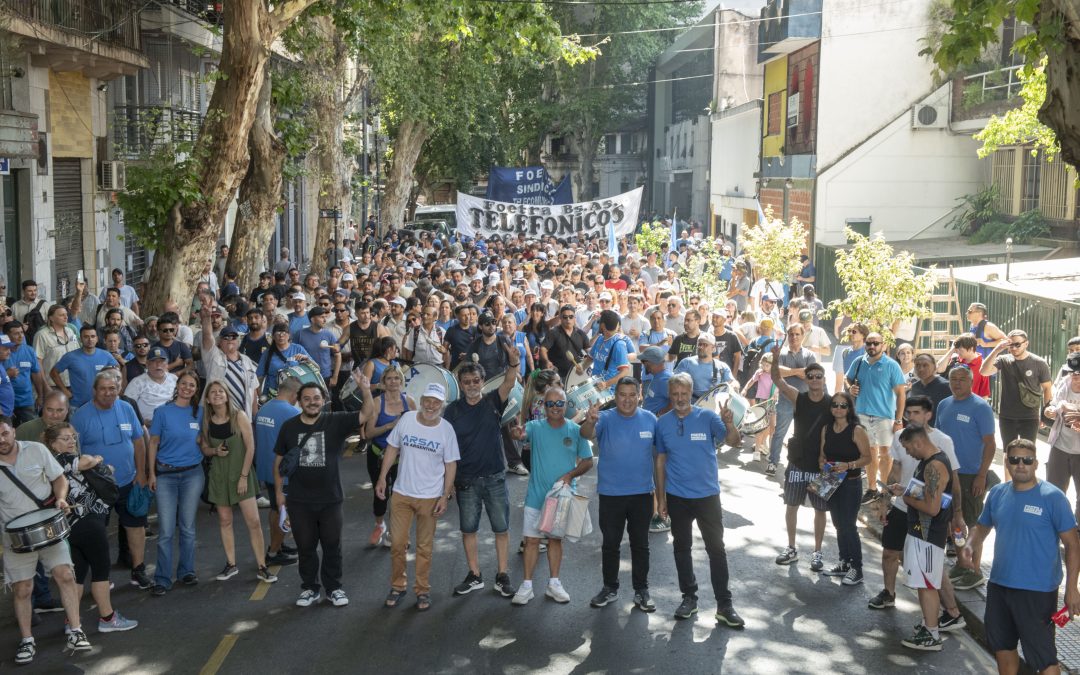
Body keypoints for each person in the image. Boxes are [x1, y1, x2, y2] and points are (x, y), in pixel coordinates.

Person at [960, 439, 1080, 675]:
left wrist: (1072, 589)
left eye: (1027, 460)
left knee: (1044, 658)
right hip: (999, 585)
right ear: (1007, 462)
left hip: (1037, 591)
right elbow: (982, 526)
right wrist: (970, 544)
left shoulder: (1053, 498)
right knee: (1003, 648)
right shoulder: (997, 493)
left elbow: (1073, 544)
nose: (1021, 465)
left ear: (1036, 464)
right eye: (1015, 459)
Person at [655, 372, 743, 626]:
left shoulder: (708, 417)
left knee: (716, 550)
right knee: (681, 549)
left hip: (707, 497)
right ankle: (689, 598)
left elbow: (734, 442)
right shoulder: (662, 423)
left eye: (684, 394)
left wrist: (729, 423)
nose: (680, 399)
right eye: (675, 394)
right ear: (670, 396)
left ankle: (724, 605)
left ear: (691, 394)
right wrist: (660, 498)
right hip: (677, 497)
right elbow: (660, 461)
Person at [0, 417, 91, 663]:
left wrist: (61, 498)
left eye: (4, 433)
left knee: (65, 574)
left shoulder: (36, 450)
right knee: (23, 588)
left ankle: (76, 630)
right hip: (14, 534)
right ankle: (27, 640)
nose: (1, 440)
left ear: (12, 431)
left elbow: (59, 479)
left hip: (48, 524)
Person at [869, 396, 964, 627]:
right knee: (892, 553)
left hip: (925, 514)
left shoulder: (942, 443)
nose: (910, 417)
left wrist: (957, 514)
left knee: (930, 568)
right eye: (908, 413)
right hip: (904, 507)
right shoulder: (902, 437)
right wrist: (886, 501)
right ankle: (889, 594)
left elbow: (954, 482)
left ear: (928, 415)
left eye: (916, 412)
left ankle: (950, 614)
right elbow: (895, 471)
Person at [273, 380, 363, 608]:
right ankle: (310, 589)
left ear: (323, 401)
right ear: (299, 401)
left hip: (330, 498)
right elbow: (279, 461)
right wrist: (279, 494)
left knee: (332, 545)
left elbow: (365, 415)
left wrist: (368, 390)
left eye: (316, 398)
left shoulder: (335, 421)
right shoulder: (288, 427)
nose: (312, 402)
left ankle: (334, 588)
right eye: (307, 398)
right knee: (306, 547)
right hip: (298, 500)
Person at [44, 423, 138, 632]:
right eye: (64, 438)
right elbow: (86, 462)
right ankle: (107, 618)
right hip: (89, 522)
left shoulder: (50, 464)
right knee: (101, 572)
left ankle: (72, 621)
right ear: (52, 444)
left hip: (70, 526)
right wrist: (96, 461)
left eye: (72, 437)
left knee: (78, 575)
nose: (71, 441)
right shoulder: (65, 460)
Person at [444, 348, 520, 600]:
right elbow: (445, 448)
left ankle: (502, 575)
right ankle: (474, 575)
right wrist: (449, 482)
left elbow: (510, 380)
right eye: (466, 382)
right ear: (460, 385)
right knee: (468, 529)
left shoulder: (492, 400)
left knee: (501, 528)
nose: (472, 385)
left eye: (476, 380)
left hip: (495, 477)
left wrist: (513, 360)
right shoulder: (451, 411)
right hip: (465, 480)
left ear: (482, 381)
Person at [378, 382, 460, 612]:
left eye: (436, 402)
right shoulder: (407, 420)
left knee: (424, 548)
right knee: (397, 544)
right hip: (402, 493)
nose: (430, 405)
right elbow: (392, 448)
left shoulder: (446, 430)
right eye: (427, 400)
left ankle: (422, 590)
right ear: (421, 400)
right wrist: (382, 477)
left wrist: (445, 495)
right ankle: (398, 586)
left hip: (430, 497)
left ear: (442, 405)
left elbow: (451, 464)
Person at [510, 384, 593, 606]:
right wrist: (516, 433)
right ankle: (526, 586)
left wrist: (570, 475)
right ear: (543, 406)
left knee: (555, 541)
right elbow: (521, 433)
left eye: (559, 403)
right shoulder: (535, 427)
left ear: (566, 405)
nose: (555, 407)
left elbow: (587, 461)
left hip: (562, 499)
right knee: (531, 541)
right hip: (536, 497)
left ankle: (554, 584)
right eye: (550, 403)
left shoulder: (575, 431)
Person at [580, 377, 657, 613]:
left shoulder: (651, 419)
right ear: (615, 395)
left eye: (631, 394)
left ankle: (641, 590)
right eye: (622, 394)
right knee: (610, 544)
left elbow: (660, 457)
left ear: (639, 394)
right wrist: (590, 421)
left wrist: (660, 497)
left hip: (642, 493)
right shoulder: (604, 418)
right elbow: (584, 435)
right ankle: (609, 588)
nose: (627, 399)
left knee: (640, 545)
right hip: (611, 493)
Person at [71, 370, 150, 588]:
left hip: (129, 481)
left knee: (136, 527)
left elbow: (138, 442)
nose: (108, 393)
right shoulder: (80, 416)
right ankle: (101, 578)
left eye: (112, 388)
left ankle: (139, 570)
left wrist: (142, 473)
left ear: (119, 389)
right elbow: (74, 453)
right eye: (103, 389)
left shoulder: (126, 408)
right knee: (97, 534)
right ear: (94, 391)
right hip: (95, 488)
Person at [886, 424, 955, 651]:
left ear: (918, 442)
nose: (907, 453)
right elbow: (929, 496)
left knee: (926, 585)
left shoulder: (934, 465)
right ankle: (929, 625)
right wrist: (905, 489)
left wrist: (906, 496)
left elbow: (932, 508)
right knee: (925, 584)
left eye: (907, 448)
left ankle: (932, 634)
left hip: (926, 534)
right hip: (923, 533)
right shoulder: (931, 462)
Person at [201, 380, 276, 585]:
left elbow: (251, 447)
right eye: (213, 392)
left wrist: (243, 477)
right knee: (225, 521)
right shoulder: (207, 421)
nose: (217, 394)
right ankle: (231, 564)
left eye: (220, 391)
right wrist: (215, 451)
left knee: (253, 522)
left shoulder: (239, 416)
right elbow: (205, 449)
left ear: (227, 395)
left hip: (241, 475)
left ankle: (262, 566)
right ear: (207, 399)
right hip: (219, 476)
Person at [938, 365, 998, 591]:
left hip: (971, 474)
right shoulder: (944, 405)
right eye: (953, 379)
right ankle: (962, 563)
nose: (957, 383)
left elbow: (990, 443)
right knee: (953, 521)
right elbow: (938, 437)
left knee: (971, 523)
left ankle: (974, 570)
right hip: (947, 473)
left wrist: (981, 475)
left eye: (962, 379)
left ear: (971, 381)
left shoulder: (980, 407)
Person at [770, 349, 831, 572]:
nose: (814, 379)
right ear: (806, 378)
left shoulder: (833, 404)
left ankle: (817, 552)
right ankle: (792, 547)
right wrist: (776, 358)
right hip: (798, 462)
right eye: (811, 375)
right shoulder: (799, 397)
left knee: (820, 510)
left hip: (821, 466)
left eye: (818, 376)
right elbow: (777, 379)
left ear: (824, 380)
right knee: (792, 505)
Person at [146, 371, 206, 595]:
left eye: (192, 385)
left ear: (195, 390)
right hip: (165, 476)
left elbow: (204, 441)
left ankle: (187, 571)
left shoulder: (199, 413)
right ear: (177, 385)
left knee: (188, 528)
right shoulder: (162, 412)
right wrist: (151, 474)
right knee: (166, 531)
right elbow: (153, 443)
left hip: (193, 474)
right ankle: (162, 578)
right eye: (184, 384)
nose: (187, 388)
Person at [845, 332, 906, 504]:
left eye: (876, 343)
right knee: (869, 453)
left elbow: (901, 394)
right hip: (862, 414)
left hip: (885, 416)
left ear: (883, 345)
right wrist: (850, 388)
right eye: (869, 343)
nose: (872, 346)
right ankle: (872, 489)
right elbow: (847, 379)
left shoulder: (891, 365)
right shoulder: (859, 362)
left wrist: (899, 420)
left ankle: (884, 489)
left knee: (886, 454)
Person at [818, 391, 871, 586]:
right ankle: (844, 562)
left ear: (849, 408)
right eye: (835, 405)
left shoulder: (857, 430)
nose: (838, 409)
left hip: (850, 483)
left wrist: (848, 466)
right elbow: (822, 455)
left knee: (849, 525)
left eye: (843, 405)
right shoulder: (826, 429)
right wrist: (823, 463)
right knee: (838, 524)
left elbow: (868, 458)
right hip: (831, 480)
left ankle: (857, 568)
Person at [254, 376, 301, 566]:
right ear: (294, 394)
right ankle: (273, 552)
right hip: (283, 472)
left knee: (275, 508)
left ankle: (278, 544)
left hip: (266, 468)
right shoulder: (291, 412)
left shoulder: (264, 408)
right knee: (283, 512)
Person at [981, 329, 1052, 446]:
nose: (1013, 348)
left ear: (1026, 344)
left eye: (1017, 345)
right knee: (1008, 451)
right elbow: (984, 371)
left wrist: (1044, 414)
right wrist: (997, 349)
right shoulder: (1003, 360)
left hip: (1029, 416)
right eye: (1010, 345)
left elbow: (1047, 388)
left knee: (1028, 451)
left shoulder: (1039, 363)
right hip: (1007, 416)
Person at [766, 323, 819, 477]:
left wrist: (789, 373)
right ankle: (772, 462)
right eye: (791, 334)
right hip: (784, 400)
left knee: (802, 434)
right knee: (779, 433)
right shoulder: (781, 354)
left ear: (803, 336)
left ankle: (798, 464)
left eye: (797, 334)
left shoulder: (809, 355)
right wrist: (798, 371)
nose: (794, 337)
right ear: (787, 336)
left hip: (804, 401)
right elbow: (777, 372)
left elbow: (810, 375)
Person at [200, 301, 259, 418]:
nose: (230, 339)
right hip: (218, 416)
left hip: (244, 416)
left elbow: (253, 392)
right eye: (226, 337)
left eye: (233, 337)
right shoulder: (213, 357)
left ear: (238, 341)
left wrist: (255, 420)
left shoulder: (247, 361)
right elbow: (207, 336)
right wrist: (206, 318)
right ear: (219, 342)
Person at [1044, 353, 1080, 523]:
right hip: (1060, 446)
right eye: (1073, 373)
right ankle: (1056, 526)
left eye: (1079, 374)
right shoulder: (1063, 384)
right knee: (1054, 491)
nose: (1076, 377)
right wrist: (1049, 411)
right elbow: (1052, 405)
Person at [51, 325, 115, 408]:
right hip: (77, 405)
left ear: (97, 338)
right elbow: (53, 373)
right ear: (80, 339)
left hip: (101, 404)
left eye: (92, 336)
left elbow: (117, 368)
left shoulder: (106, 355)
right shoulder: (70, 356)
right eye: (86, 337)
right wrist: (65, 391)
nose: (90, 339)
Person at [4, 321, 45, 424]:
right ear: (6, 336)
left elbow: (36, 374)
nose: (20, 336)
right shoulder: (2, 352)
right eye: (16, 333)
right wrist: (6, 375)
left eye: (22, 332)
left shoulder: (29, 351)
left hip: (26, 401)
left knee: (31, 431)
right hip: (5, 402)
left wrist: (40, 396)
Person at [673, 332, 733, 401]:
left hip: (714, 405)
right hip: (692, 406)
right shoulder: (686, 362)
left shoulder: (722, 366)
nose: (701, 347)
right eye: (699, 344)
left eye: (705, 345)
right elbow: (673, 382)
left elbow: (732, 382)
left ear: (713, 348)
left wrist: (735, 385)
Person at [124, 347, 178, 423]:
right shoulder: (137, 382)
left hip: (172, 423)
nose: (158, 364)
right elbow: (126, 406)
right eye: (153, 361)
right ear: (147, 364)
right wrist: (141, 422)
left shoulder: (174, 379)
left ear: (167, 364)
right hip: (148, 427)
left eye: (162, 361)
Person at [257, 324, 312, 397]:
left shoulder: (298, 349)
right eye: (278, 333)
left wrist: (307, 359)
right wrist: (260, 396)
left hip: (294, 393)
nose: (281, 336)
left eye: (284, 333)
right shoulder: (267, 353)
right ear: (273, 336)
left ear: (289, 335)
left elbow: (316, 368)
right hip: (272, 393)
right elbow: (259, 377)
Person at [540, 304, 589, 384]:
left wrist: (585, 365)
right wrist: (547, 361)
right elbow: (543, 349)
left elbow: (589, 351)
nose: (568, 319)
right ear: (560, 318)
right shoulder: (553, 332)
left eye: (571, 317)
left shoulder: (581, 334)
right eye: (565, 317)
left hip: (575, 374)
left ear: (574, 318)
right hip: (557, 376)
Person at [585, 310, 632, 394]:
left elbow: (625, 371)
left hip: (610, 391)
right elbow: (590, 358)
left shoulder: (619, 344)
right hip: (595, 386)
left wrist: (606, 384)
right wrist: (581, 367)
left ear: (602, 326)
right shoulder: (599, 339)